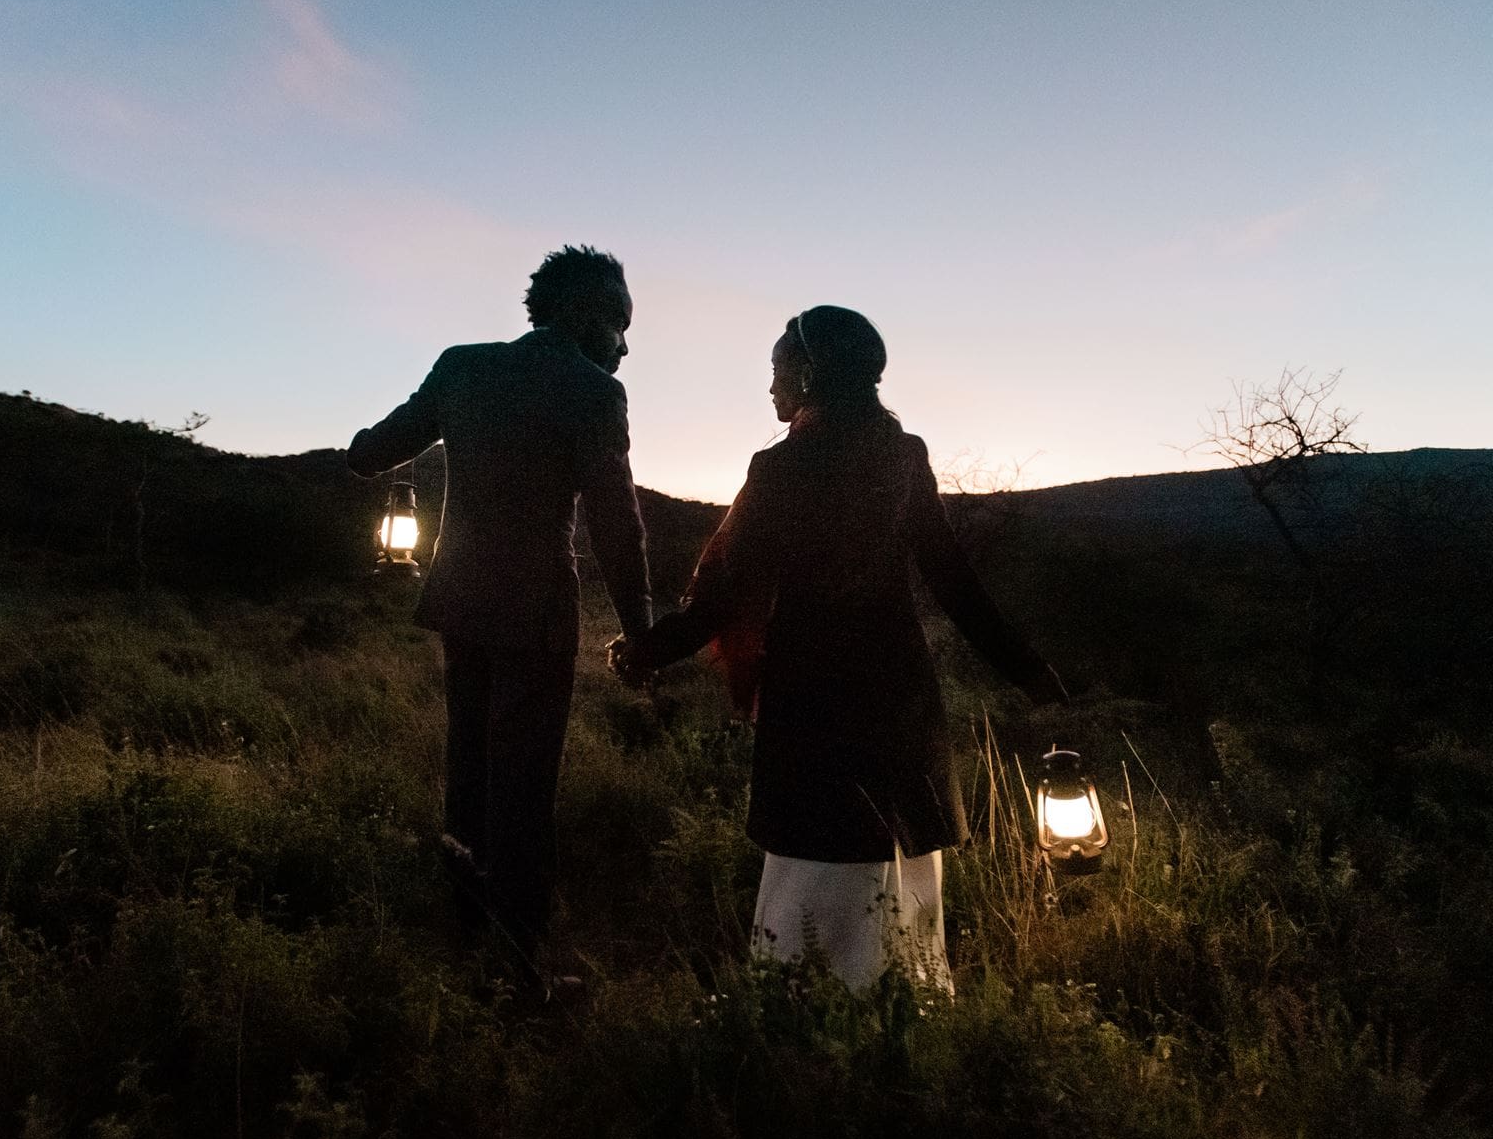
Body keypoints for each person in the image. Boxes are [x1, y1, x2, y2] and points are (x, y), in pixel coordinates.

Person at [614, 306, 1065, 993]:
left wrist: (645, 649)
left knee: (816, 870)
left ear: (809, 372)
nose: (770, 389)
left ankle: (808, 1018)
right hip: (897, 695)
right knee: (892, 873)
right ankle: (894, 1016)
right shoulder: (902, 454)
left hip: (814, 702)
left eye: (776, 371)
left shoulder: (783, 468)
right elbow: (954, 581)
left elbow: (722, 600)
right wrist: (1031, 669)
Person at [347, 245, 652, 986]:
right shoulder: (591, 392)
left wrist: (390, 459)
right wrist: (642, 631)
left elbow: (368, 452)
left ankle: (463, 927)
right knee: (524, 776)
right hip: (538, 610)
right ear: (584, 314)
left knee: (470, 762)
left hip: (461, 599)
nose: (625, 344)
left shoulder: (462, 366)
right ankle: (520, 965)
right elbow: (617, 522)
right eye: (619, 323)